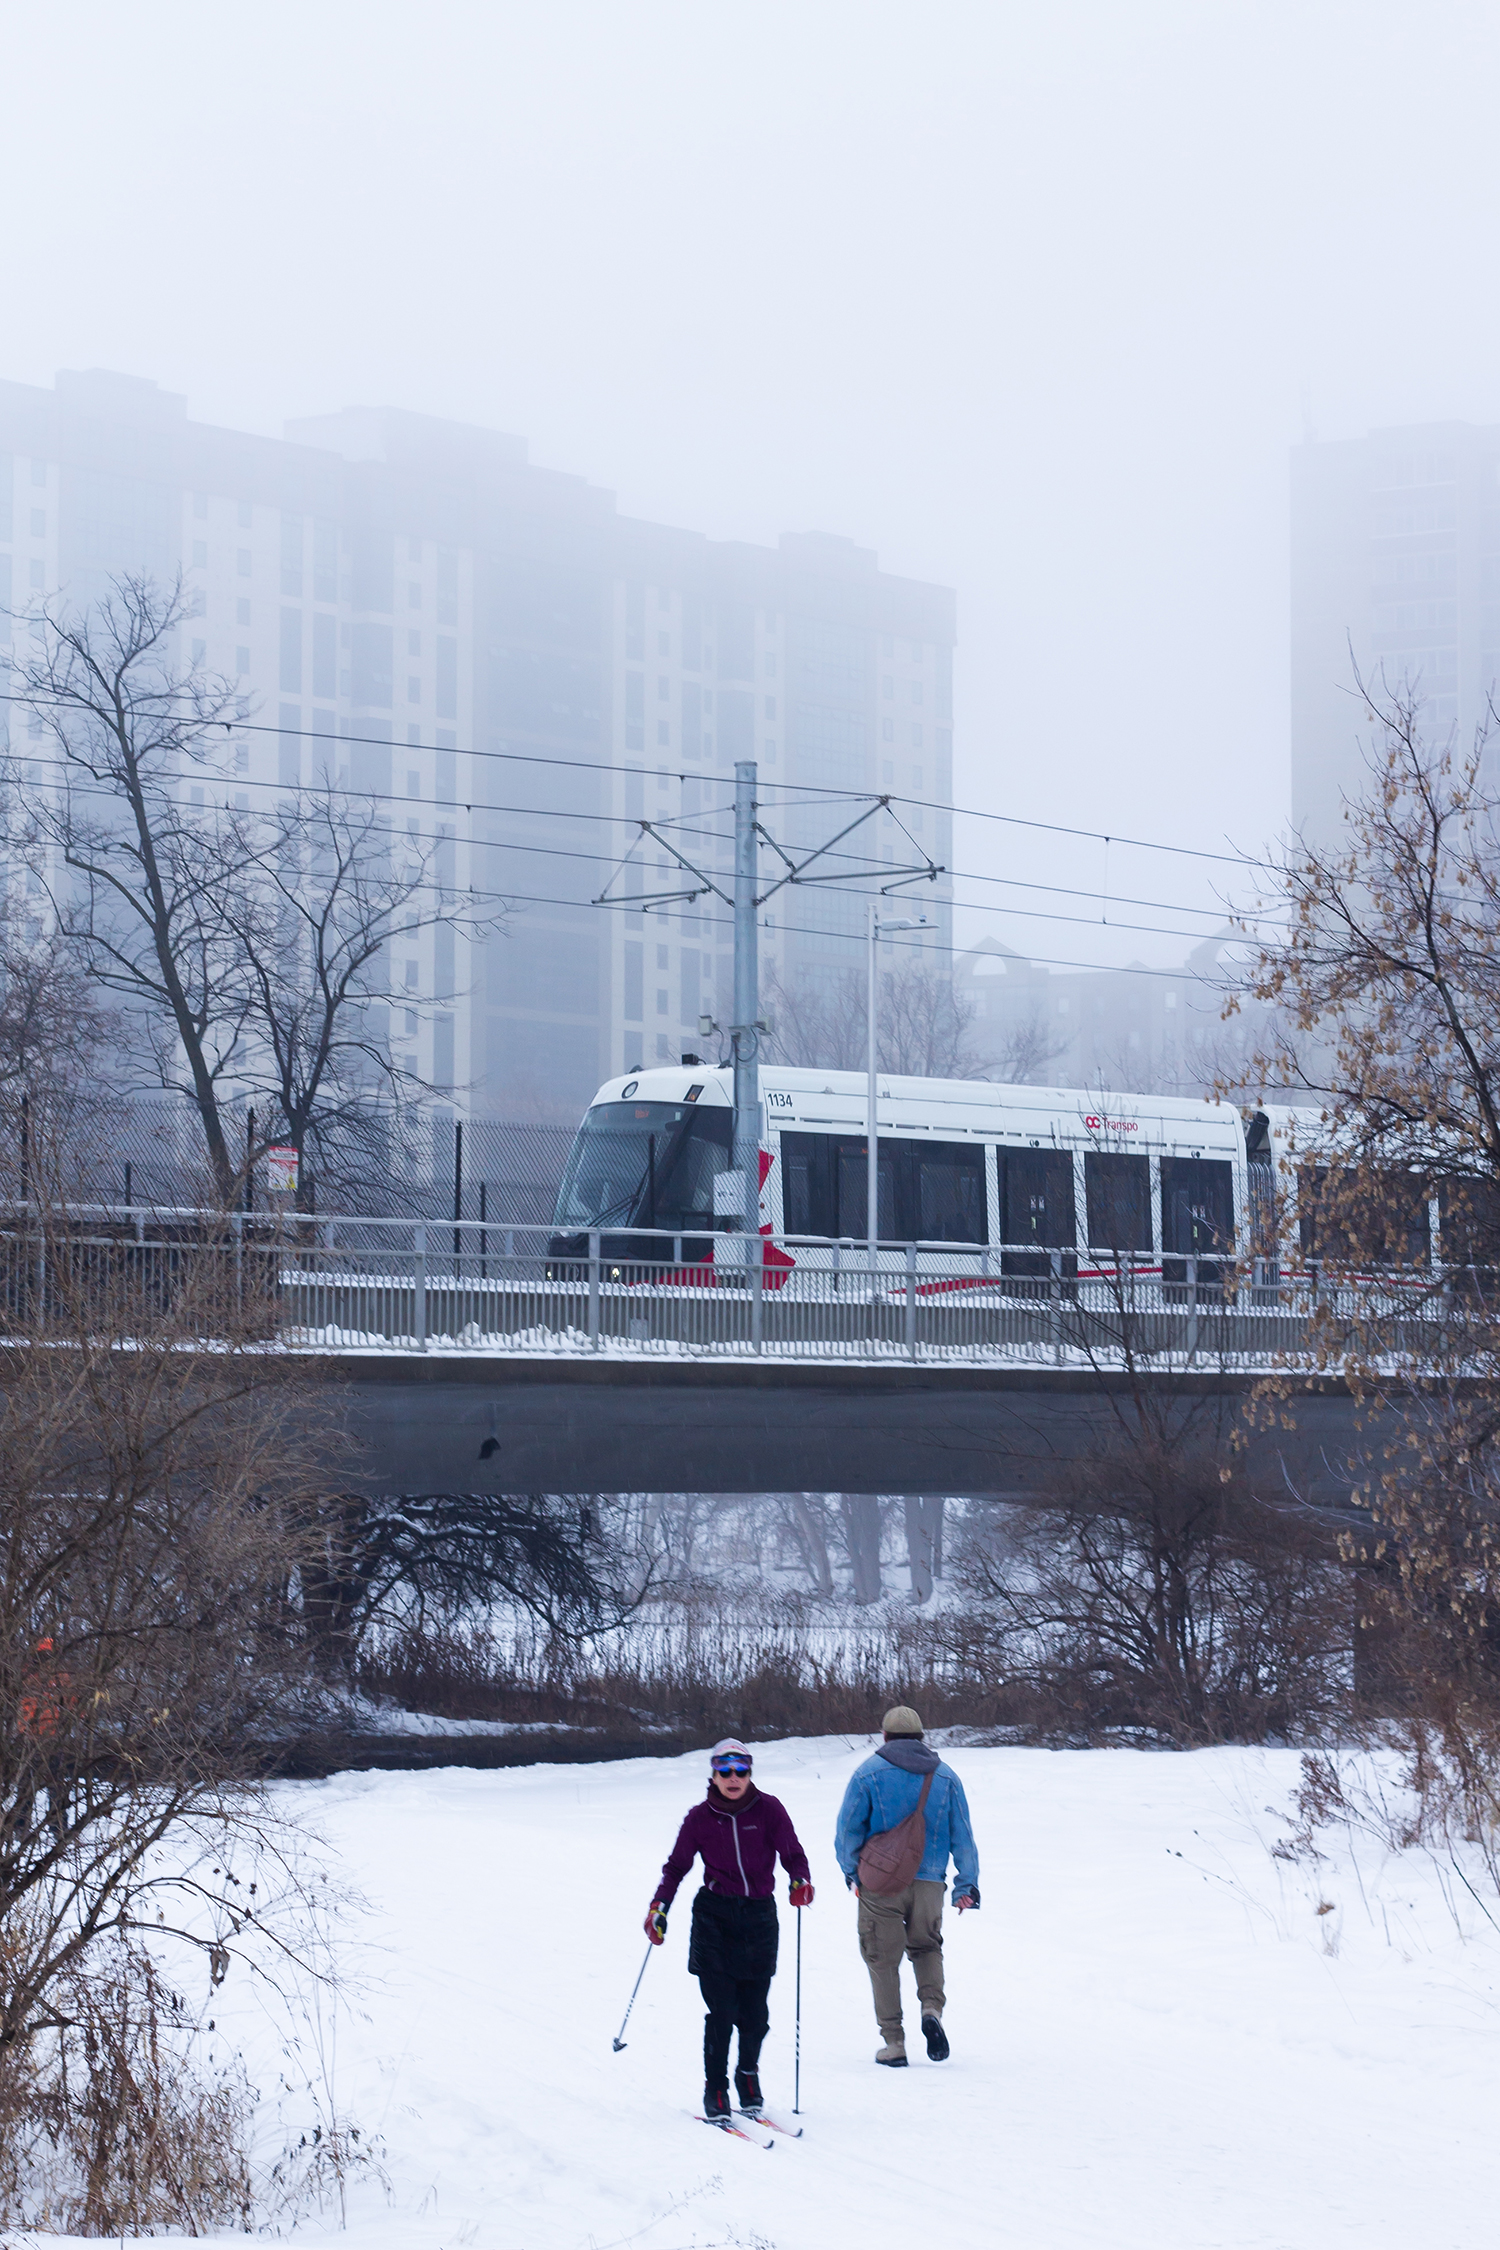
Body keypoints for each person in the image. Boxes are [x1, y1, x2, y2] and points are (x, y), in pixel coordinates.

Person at [645, 1738, 814, 2122]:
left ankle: (747, 2074)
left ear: (750, 1772)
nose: (733, 1778)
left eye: (740, 1770)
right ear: (714, 1774)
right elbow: (676, 1867)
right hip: (714, 1918)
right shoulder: (699, 1818)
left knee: (755, 2015)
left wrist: (799, 1880)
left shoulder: (769, 1809)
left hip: (759, 1918)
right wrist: (659, 1907)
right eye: (725, 1770)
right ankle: (716, 2087)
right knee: (721, 2011)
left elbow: (792, 1854)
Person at [834, 1704, 979, 2068]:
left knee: (883, 1961)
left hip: (880, 1884)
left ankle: (894, 2043)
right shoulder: (945, 1777)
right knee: (927, 1948)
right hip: (930, 1883)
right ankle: (931, 2010)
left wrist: (853, 1873)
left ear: (885, 1737)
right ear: (920, 1737)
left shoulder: (867, 1774)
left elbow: (847, 1829)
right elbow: (963, 1835)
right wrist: (966, 1885)